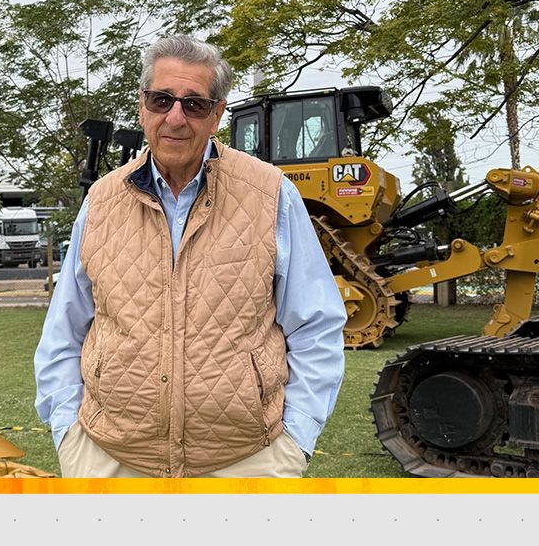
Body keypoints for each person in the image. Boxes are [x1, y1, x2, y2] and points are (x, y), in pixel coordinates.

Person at [34, 35, 346, 478]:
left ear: (217, 114)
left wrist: (296, 440)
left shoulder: (271, 194)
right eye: (162, 100)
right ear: (143, 106)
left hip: (246, 461)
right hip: (110, 458)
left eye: (194, 104)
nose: (175, 117)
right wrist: (68, 434)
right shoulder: (101, 200)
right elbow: (64, 328)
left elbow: (316, 325)